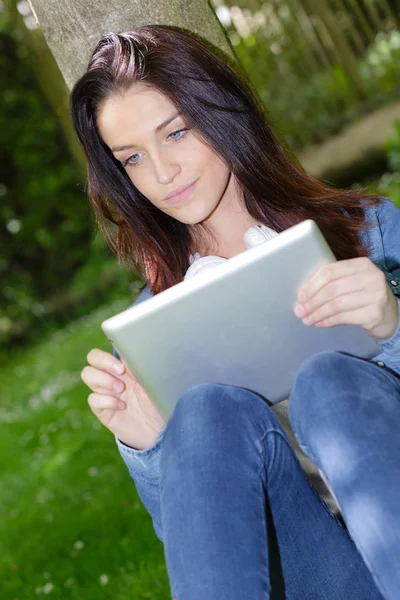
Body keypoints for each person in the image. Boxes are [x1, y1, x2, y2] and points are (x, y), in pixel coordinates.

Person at [72, 25, 400, 600]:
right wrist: (152, 451)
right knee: (204, 411)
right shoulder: (153, 326)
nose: (162, 173)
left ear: (223, 113)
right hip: (318, 578)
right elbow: (195, 542)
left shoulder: (371, 231)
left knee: (327, 378)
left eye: (175, 132)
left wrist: (392, 326)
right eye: (133, 158)